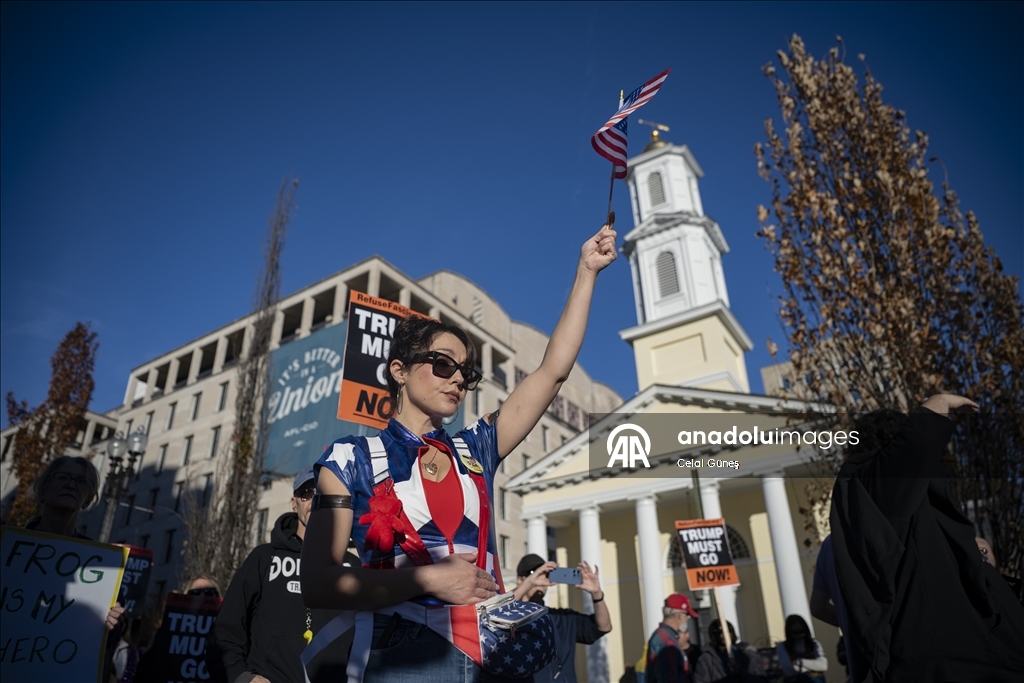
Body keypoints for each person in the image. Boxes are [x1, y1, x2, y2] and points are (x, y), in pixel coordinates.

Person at [301, 222, 617, 683]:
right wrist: (428, 579)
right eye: (443, 364)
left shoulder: (477, 448)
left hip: (495, 656)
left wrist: (586, 272)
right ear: (399, 371)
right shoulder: (350, 459)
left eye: (465, 373)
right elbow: (319, 582)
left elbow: (552, 372)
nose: (456, 379)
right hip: (402, 659)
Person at [830, 395, 1024, 682]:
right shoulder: (872, 483)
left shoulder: (913, 502)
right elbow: (911, 448)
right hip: (945, 662)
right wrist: (938, 402)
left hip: (982, 653)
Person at [206, 467, 350, 683]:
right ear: (294, 503)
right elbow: (225, 632)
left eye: (321, 494)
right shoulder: (264, 558)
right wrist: (244, 678)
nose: (314, 500)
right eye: (306, 494)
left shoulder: (352, 567)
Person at [26, 456, 127, 678]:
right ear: (42, 490)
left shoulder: (100, 565)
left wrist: (114, 623)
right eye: (63, 477)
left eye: (81, 482)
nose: (71, 484)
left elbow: (104, 638)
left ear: (88, 499)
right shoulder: (9, 548)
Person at [513, 554, 612, 682]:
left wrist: (597, 594)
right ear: (520, 579)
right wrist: (530, 582)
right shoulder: (511, 618)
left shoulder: (562, 618)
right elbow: (498, 612)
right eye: (534, 572)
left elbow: (604, 626)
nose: (541, 578)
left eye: (546, 573)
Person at [808, 535, 850, 681]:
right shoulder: (888, 527)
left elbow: (817, 608)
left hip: (858, 653)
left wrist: (850, 622)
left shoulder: (829, 544)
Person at [645, 593, 699, 683]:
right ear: (680, 616)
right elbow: (668, 678)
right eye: (687, 616)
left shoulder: (665, 637)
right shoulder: (666, 641)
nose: (688, 620)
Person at [693, 619, 766, 683]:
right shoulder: (706, 660)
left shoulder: (748, 655)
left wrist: (742, 674)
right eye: (719, 632)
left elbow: (761, 680)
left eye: (727, 631)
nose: (723, 635)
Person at [774, 615, 826, 682]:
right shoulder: (782, 646)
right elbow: (788, 671)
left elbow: (823, 666)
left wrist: (798, 662)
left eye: (801, 631)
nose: (799, 635)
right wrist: (814, 666)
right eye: (794, 632)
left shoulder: (814, 644)